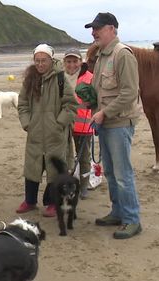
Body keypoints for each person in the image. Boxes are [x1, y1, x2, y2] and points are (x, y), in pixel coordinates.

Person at [84, 12, 142, 239]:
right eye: (92, 28)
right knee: (109, 171)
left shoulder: (122, 55)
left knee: (122, 173)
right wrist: (92, 102)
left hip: (119, 123)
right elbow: (102, 91)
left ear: (112, 29)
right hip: (105, 123)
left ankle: (132, 220)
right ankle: (118, 212)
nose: (93, 32)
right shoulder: (101, 56)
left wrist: (104, 112)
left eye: (97, 28)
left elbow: (129, 93)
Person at [16, 43, 78, 218]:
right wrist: (27, 123)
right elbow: (22, 104)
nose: (40, 64)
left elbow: (71, 105)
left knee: (55, 169)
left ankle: (52, 202)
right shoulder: (30, 80)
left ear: (51, 60)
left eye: (44, 61)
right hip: (35, 133)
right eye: (37, 61)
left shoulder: (60, 79)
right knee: (32, 167)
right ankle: (29, 201)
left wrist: (59, 123)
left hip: (56, 134)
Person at [63, 48, 94, 199]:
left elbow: (95, 101)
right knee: (66, 157)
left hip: (84, 125)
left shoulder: (90, 77)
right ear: (64, 63)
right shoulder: (60, 77)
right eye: (68, 61)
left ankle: (84, 186)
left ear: (81, 62)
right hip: (64, 125)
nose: (72, 65)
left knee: (84, 158)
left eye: (75, 61)